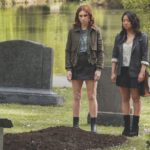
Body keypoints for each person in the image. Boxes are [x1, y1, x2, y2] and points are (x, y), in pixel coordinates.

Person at [65, 4, 104, 133]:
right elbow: (67, 51)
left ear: (89, 16)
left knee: (92, 96)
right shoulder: (72, 31)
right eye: (80, 16)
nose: (82, 18)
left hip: (91, 66)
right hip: (76, 66)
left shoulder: (96, 31)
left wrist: (98, 68)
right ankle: (75, 125)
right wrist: (68, 68)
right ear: (78, 17)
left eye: (85, 15)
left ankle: (93, 125)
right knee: (76, 96)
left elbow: (100, 52)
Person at [111, 11, 149, 136]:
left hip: (135, 72)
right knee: (125, 99)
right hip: (122, 71)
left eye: (127, 20)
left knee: (136, 99)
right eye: (123, 20)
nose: (125, 23)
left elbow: (145, 56)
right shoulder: (119, 37)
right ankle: (126, 128)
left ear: (133, 21)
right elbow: (115, 56)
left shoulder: (142, 37)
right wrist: (113, 72)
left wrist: (142, 72)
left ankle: (135, 128)